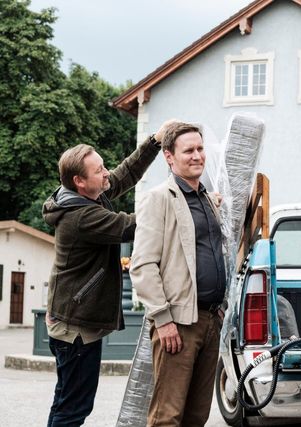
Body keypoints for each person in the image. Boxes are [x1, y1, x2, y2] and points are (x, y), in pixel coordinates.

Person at [42, 129, 163, 426]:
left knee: (67, 402)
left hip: (71, 321)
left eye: (103, 166)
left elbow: (125, 174)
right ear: (79, 181)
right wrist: (177, 204)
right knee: (73, 408)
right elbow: (130, 226)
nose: (106, 172)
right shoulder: (80, 216)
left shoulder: (84, 197)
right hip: (75, 329)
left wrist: (154, 142)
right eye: (98, 170)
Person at [130, 121, 226, 426]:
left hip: (210, 319)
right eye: (188, 151)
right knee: (167, 416)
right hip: (178, 323)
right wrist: (163, 319)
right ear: (169, 157)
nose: (197, 155)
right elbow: (142, 264)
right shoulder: (158, 198)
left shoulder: (207, 199)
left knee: (197, 416)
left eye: (200, 148)